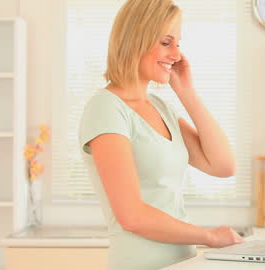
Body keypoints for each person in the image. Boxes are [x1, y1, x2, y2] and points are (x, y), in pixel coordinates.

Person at [77, 0, 244, 269]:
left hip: (181, 262)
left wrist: (187, 92)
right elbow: (132, 216)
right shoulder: (106, 109)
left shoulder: (159, 106)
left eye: (178, 43)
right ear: (136, 40)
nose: (177, 54)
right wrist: (209, 236)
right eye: (166, 43)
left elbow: (223, 166)